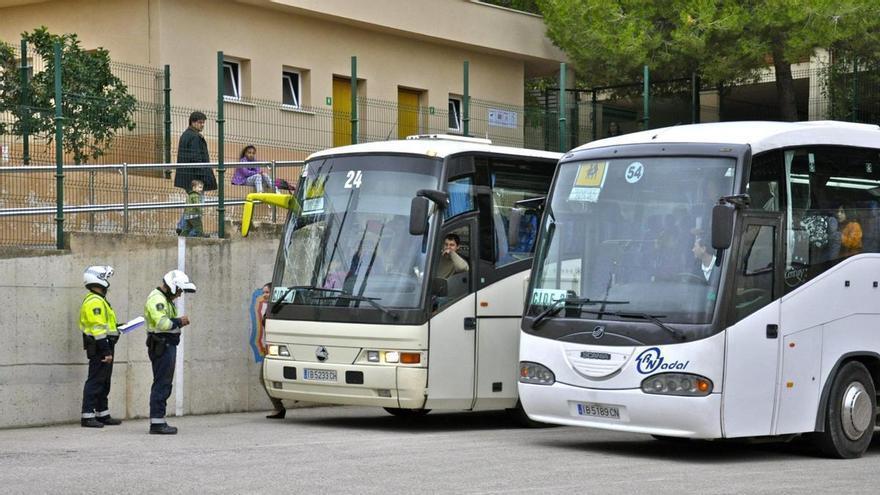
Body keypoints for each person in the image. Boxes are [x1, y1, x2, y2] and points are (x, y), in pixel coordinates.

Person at [144, 269, 197, 435]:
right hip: (162, 345)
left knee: (164, 383)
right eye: (180, 291)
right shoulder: (157, 299)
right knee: (162, 383)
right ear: (173, 287)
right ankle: (157, 422)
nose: (180, 295)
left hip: (166, 345)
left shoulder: (165, 299)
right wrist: (180, 321)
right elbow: (162, 323)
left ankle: (159, 420)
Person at [79, 265, 123, 428]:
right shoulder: (94, 301)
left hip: (105, 344)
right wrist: (105, 350)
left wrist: (118, 327)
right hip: (100, 347)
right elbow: (97, 329)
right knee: (95, 380)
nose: (107, 281)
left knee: (104, 381)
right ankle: (87, 416)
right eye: (105, 277)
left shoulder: (99, 300)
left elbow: (105, 325)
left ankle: (102, 413)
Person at [253, 282, 287, 419]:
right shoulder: (270, 309)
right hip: (271, 349)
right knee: (263, 379)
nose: (264, 295)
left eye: (267, 292)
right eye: (263, 293)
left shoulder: (280, 309)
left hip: (280, 349)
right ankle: (278, 407)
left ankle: (279, 407)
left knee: (264, 378)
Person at [174, 111, 217, 193]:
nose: (202, 125)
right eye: (200, 122)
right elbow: (196, 158)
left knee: (192, 201)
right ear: (192, 122)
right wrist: (204, 177)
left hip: (187, 175)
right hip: (195, 178)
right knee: (197, 202)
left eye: (203, 122)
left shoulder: (186, 134)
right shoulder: (195, 137)